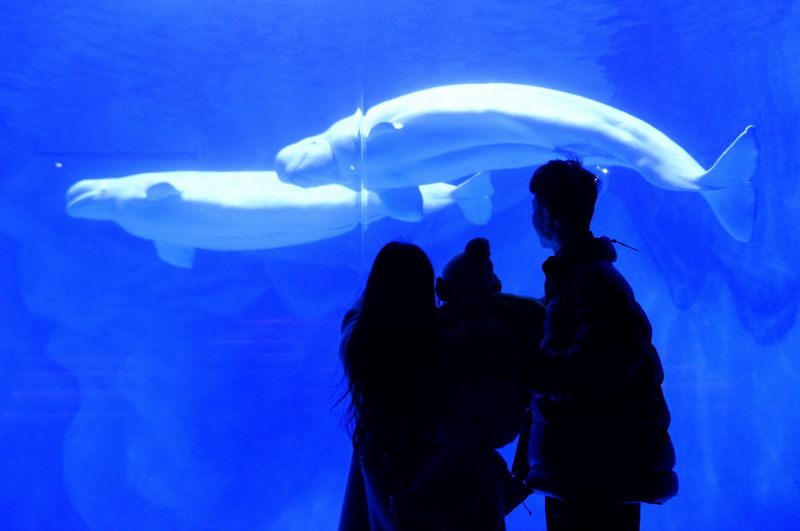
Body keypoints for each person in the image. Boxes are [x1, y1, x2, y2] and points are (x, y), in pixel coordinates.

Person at [522, 158, 678, 530]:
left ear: (547, 215)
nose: (533, 217)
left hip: (594, 475)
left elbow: (588, 376)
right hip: (588, 472)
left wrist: (520, 363)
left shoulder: (590, 283)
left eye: (535, 208)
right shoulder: (582, 280)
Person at [337, 241, 511, 530]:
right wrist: (479, 303)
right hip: (464, 507)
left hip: (393, 509)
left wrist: (385, 282)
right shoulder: (458, 354)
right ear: (432, 291)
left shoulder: (358, 350)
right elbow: (503, 425)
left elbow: (360, 313)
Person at [435, 237, 547, 515]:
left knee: (462, 449)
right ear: (495, 284)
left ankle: (497, 491)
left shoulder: (446, 326)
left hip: (465, 419)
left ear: (443, 289)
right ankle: (504, 487)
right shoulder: (516, 314)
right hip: (507, 415)